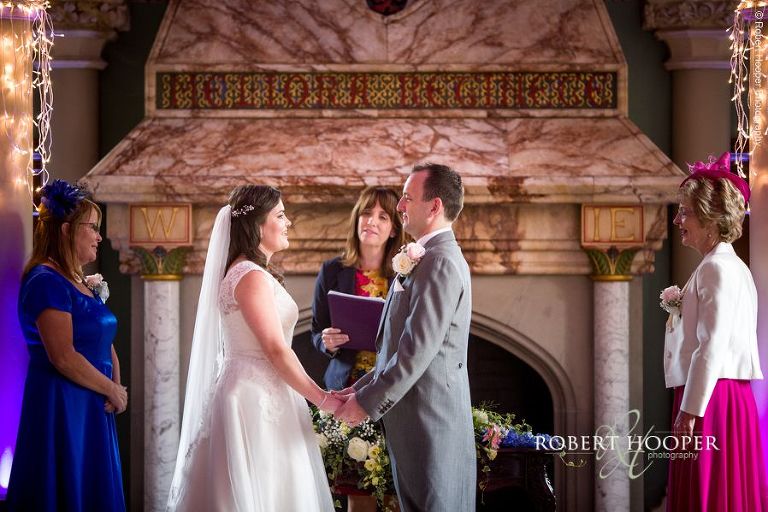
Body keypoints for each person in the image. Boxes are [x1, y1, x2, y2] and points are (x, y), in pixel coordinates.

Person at [167, 185, 339, 511]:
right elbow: (275, 348)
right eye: (281, 215)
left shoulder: (250, 272)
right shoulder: (249, 275)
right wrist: (324, 399)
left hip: (260, 390)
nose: (288, 222)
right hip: (253, 398)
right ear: (258, 225)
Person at [335, 163, 476, 512]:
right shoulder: (427, 257)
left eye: (407, 198)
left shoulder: (439, 262)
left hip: (429, 425)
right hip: (416, 423)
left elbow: (416, 352)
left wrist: (366, 403)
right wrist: (360, 387)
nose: (399, 206)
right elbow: (400, 346)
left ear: (434, 206)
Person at [7, 179, 127, 511]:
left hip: (91, 402)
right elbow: (62, 356)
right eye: (93, 228)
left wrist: (114, 383)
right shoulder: (46, 282)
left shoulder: (75, 281)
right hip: (63, 404)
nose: (99, 236)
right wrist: (112, 390)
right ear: (66, 230)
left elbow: (100, 336)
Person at [665, 152, 768, 511]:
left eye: (686, 213)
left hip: (712, 399)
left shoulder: (717, 269)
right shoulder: (725, 265)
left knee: (709, 492)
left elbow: (712, 345)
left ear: (711, 220)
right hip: (719, 393)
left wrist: (690, 412)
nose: (678, 219)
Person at [310, 186, 405, 511]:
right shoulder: (333, 271)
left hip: (393, 390)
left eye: (382, 216)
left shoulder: (405, 275)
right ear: (356, 219)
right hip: (347, 389)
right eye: (366, 213)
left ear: (394, 228)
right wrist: (326, 341)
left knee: (396, 485)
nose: (372, 221)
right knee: (356, 484)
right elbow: (315, 332)